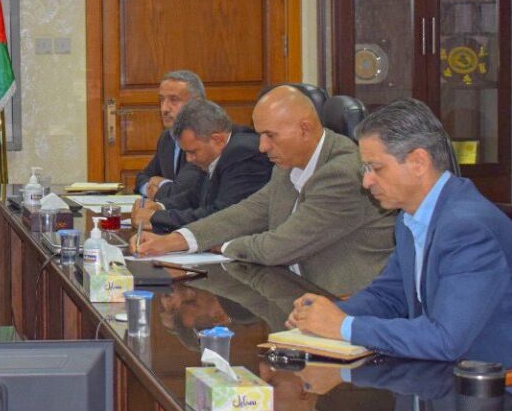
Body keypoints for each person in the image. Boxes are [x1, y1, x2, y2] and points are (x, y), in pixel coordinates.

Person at [287, 99, 512, 371]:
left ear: (418, 162)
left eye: (376, 168)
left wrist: (344, 326)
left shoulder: (469, 228)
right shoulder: (410, 218)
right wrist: (327, 313)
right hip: (451, 373)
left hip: (510, 390)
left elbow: (445, 339)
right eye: (365, 169)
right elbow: (388, 296)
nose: (366, 181)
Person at [135, 85, 395, 295]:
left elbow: (282, 245)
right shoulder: (287, 162)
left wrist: (224, 246)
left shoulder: (343, 172)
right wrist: (175, 240)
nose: (262, 146)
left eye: (270, 135)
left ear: (304, 129)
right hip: (291, 290)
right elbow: (250, 211)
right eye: (260, 135)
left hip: (343, 302)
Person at [132, 98, 272, 234]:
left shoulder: (243, 153)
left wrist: (156, 218)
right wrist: (160, 207)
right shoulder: (217, 152)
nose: (189, 159)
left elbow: (221, 215)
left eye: (193, 152)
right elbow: (194, 197)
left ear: (217, 139)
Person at [133, 70, 207, 208]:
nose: (164, 108)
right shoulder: (167, 138)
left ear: (197, 104)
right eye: (162, 100)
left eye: (174, 100)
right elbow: (141, 179)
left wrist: (161, 184)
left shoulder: (204, 139)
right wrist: (156, 188)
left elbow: (182, 193)